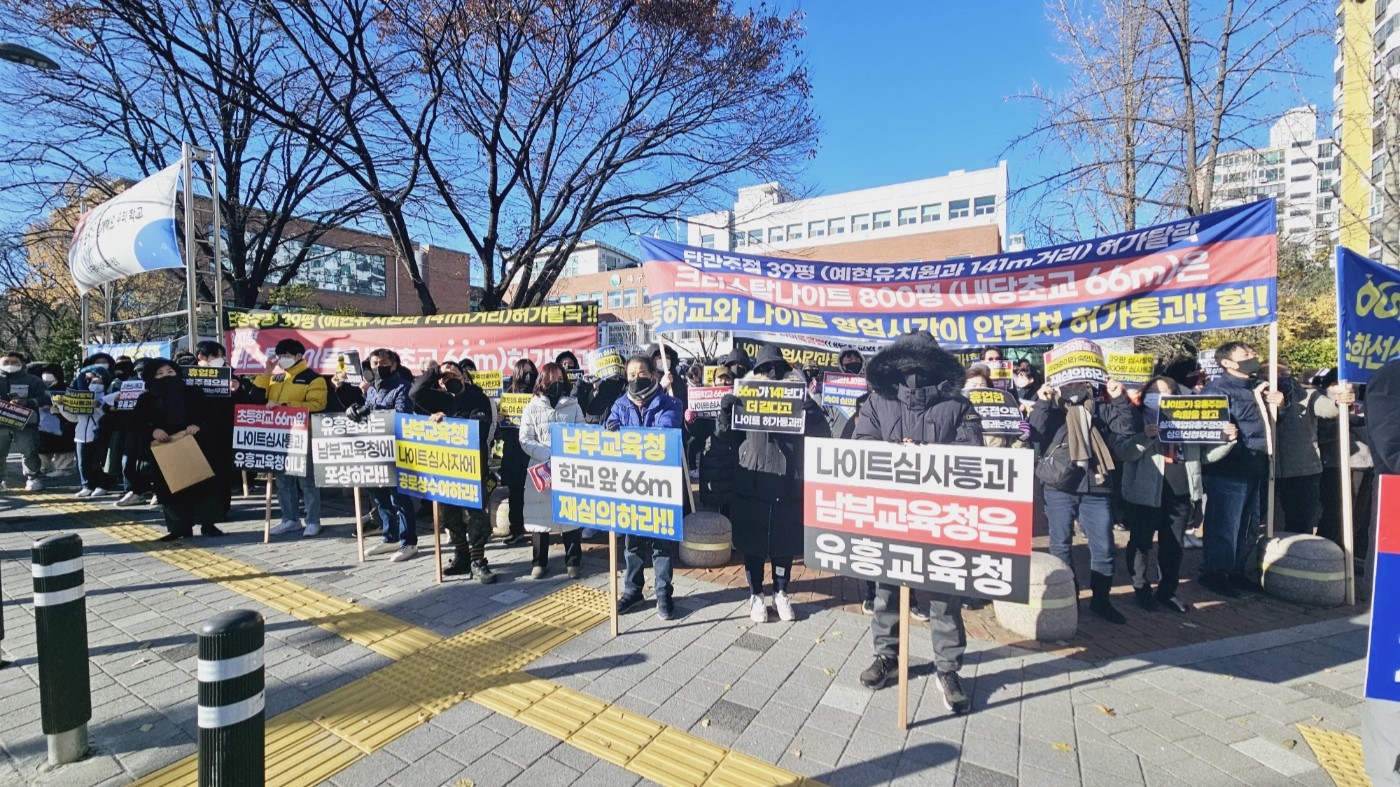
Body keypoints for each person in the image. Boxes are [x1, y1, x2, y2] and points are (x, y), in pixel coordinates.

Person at [854, 332, 980, 715]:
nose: (912, 370)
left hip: (940, 516)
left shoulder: (958, 404)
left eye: (919, 363)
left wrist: (928, 456)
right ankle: (887, 656)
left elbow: (973, 454)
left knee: (944, 596)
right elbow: (861, 443)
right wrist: (894, 455)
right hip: (890, 514)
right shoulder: (877, 401)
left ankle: (948, 669)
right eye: (905, 363)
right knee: (886, 589)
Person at [1108, 376, 1235, 613]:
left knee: (1173, 545)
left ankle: (1167, 591)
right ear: (1145, 395)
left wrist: (1227, 441)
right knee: (1141, 542)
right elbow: (1125, 453)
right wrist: (1145, 436)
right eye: (1154, 392)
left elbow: (1204, 457)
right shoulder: (1132, 418)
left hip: (1180, 491)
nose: (1159, 396)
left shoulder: (1188, 420)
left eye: (1166, 392)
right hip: (1145, 493)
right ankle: (1141, 587)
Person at [1031, 377, 1126, 624]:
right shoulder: (1052, 408)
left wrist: (1119, 398)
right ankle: (1069, 597)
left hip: (1096, 483)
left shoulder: (1099, 407)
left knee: (1104, 545)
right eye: (1069, 383)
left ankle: (1101, 599)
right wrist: (1042, 403)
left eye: (1079, 383)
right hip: (1060, 484)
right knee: (1060, 543)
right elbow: (1033, 432)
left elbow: (1127, 426)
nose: (1074, 388)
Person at [1198, 342, 1285, 598]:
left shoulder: (1261, 387)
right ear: (1227, 363)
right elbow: (1207, 428)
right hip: (1229, 468)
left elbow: (1271, 424)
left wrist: (1280, 404)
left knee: (1249, 524)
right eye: (1245, 354)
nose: (1253, 357)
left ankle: (1237, 570)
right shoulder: (1217, 389)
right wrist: (1223, 435)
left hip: (1257, 464)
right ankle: (1216, 572)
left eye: (1252, 352)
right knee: (1225, 524)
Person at [608, 354, 685, 619]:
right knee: (632, 543)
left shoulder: (671, 404)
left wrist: (627, 437)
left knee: (661, 543)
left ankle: (663, 592)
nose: (636, 379)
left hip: (659, 484)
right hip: (630, 484)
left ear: (653, 375)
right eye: (631, 375)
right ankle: (633, 590)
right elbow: (610, 426)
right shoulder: (619, 405)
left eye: (641, 374)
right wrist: (610, 427)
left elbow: (663, 434)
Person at [410, 362, 497, 582]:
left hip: (472, 466)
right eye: (446, 377)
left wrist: (448, 422)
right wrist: (436, 371)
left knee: (476, 515)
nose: (451, 380)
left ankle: (478, 560)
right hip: (446, 467)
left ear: (464, 376)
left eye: (455, 374)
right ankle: (461, 555)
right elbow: (414, 393)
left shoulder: (478, 397)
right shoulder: (439, 398)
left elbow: (480, 426)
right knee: (449, 515)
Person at [130, 358, 224, 540]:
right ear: (151, 377)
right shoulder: (147, 398)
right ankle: (179, 528)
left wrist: (198, 425)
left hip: (195, 444)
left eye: (170, 372)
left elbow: (211, 415)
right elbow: (135, 423)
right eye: (160, 373)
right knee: (169, 488)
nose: (166, 376)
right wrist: (153, 431)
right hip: (164, 448)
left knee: (203, 484)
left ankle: (208, 524)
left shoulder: (193, 392)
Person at [343, 348, 417, 561]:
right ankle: (389, 537)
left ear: (394, 365)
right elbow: (366, 409)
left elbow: (402, 415)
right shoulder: (372, 388)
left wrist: (374, 413)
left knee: (399, 498)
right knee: (379, 497)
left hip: (396, 450)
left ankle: (408, 542)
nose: (378, 367)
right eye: (375, 363)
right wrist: (356, 410)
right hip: (374, 451)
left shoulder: (403, 387)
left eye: (383, 363)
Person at [255, 339, 330, 538]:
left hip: (303, 433)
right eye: (279, 355)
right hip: (278, 434)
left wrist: (287, 406)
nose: (282, 359)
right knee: (282, 480)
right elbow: (256, 396)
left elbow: (318, 405)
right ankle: (290, 519)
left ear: (298, 356)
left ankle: (313, 521)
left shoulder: (314, 378)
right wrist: (266, 372)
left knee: (307, 480)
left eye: (286, 355)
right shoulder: (276, 377)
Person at [519, 362, 584, 578]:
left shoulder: (573, 405)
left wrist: (567, 453)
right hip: (541, 468)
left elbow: (581, 433)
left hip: (567, 467)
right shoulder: (532, 406)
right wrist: (547, 455)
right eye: (551, 379)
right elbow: (525, 439)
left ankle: (573, 561)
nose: (556, 383)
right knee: (539, 517)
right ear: (542, 381)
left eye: (560, 379)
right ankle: (539, 562)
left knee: (570, 515)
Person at [1265, 364, 1321, 535]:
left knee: (1301, 521)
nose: (1281, 377)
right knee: (1271, 524)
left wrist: (1339, 400)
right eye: (1275, 374)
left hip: (1302, 468)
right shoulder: (1255, 394)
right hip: (1267, 470)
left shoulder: (1306, 394)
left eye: (1284, 373)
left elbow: (1326, 407)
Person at [57, 361, 115, 497]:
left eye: (98, 380)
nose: (95, 383)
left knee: (99, 462)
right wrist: (61, 406)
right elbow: (73, 418)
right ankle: (87, 485)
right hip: (81, 435)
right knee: (83, 463)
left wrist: (98, 406)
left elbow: (108, 415)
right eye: (91, 380)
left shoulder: (109, 396)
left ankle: (102, 485)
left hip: (99, 434)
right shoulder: (81, 395)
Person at [498, 359, 538, 547]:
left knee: (535, 492)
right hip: (513, 450)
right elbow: (502, 430)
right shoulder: (508, 395)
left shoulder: (538, 395)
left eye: (531, 372)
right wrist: (500, 420)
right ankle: (516, 530)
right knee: (515, 493)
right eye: (525, 372)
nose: (528, 376)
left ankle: (537, 528)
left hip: (533, 450)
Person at [0, 351, 51, 491]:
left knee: (29, 452)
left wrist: (28, 402)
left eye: (14, 362)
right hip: (1, 424)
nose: (10, 365)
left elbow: (47, 398)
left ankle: (32, 477)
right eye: (6, 362)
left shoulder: (33, 380)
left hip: (26, 423)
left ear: (22, 364)